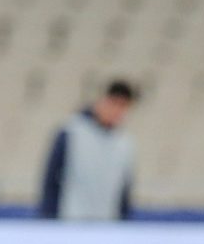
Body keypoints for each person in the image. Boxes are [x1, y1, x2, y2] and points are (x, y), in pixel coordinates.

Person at [39, 80, 138, 221]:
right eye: (114, 104)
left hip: (107, 223)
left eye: (123, 107)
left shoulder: (125, 143)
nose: (117, 111)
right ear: (103, 101)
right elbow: (52, 179)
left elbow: (124, 190)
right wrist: (49, 218)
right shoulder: (71, 132)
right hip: (70, 222)